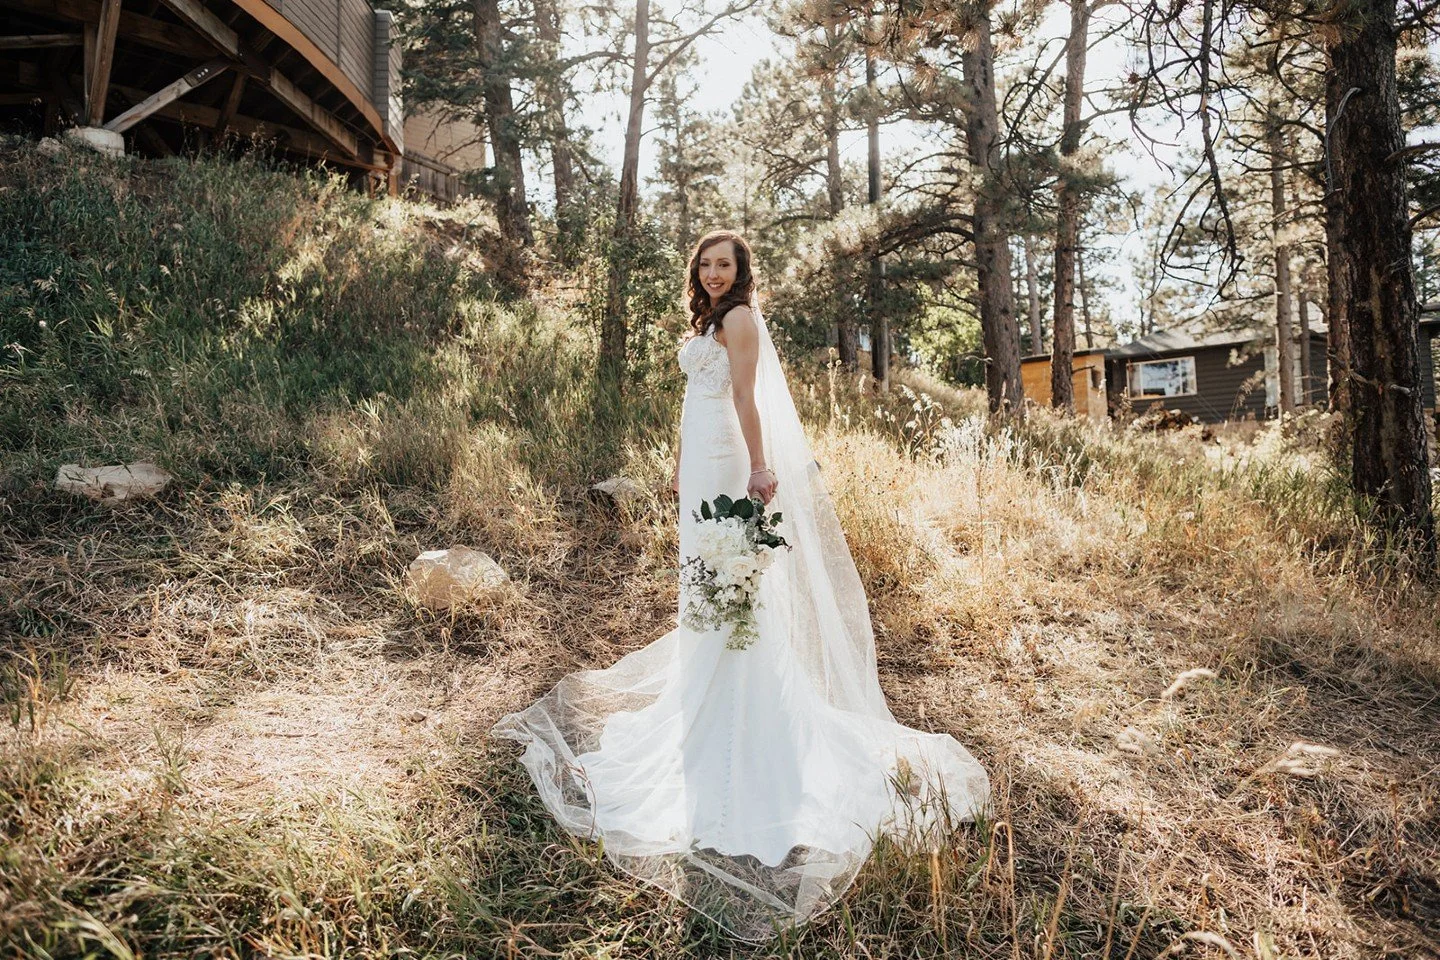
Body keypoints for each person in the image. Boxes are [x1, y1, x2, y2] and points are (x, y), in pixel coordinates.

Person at [491, 230, 990, 941]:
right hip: (700, 460)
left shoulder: (742, 318)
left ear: (742, 271)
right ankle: (706, 688)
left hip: (731, 461)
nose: (715, 273)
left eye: (725, 264)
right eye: (705, 263)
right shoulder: (706, 321)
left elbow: (748, 400)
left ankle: (743, 708)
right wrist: (677, 461)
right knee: (702, 587)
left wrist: (758, 469)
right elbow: (696, 396)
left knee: (733, 585)